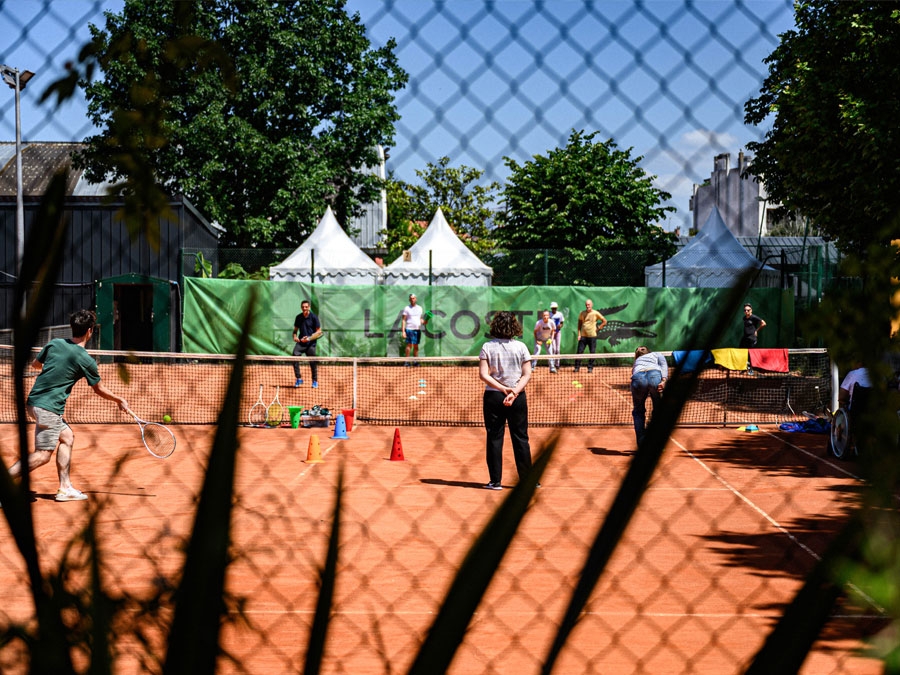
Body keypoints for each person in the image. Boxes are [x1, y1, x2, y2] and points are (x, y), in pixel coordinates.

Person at [5, 309, 129, 504]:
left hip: (34, 402)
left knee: (67, 437)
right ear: (90, 331)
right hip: (49, 408)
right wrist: (119, 399)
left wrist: (55, 369)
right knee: (43, 455)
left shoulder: (54, 343)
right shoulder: (86, 360)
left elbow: (36, 365)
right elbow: (99, 389)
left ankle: (65, 488)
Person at [478, 311, 534, 490]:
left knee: (494, 437)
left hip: (493, 397)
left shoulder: (487, 346)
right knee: (521, 437)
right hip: (518, 398)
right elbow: (527, 374)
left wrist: (503, 389)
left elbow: (483, 375)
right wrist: (514, 392)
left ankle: (495, 482)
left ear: (495, 326)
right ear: (515, 327)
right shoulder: (522, 347)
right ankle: (528, 481)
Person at [631, 346, 668, 445]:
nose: (640, 349)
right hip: (654, 375)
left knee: (638, 411)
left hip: (638, 378)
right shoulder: (656, 354)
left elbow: (634, 373)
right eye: (639, 348)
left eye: (641, 348)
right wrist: (663, 380)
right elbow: (664, 365)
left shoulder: (637, 361)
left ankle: (642, 443)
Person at [293, 299, 322, 388]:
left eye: (306, 307)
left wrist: (308, 338)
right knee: (294, 356)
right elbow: (295, 330)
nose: (304, 308)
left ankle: (315, 381)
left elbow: (319, 332)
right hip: (301, 343)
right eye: (303, 307)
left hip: (311, 344)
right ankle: (298, 379)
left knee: (313, 362)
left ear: (309, 307)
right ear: (301, 308)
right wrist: (294, 336)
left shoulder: (314, 317)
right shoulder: (298, 317)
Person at [575, 299, 607, 373]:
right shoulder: (582, 313)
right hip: (583, 336)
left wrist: (599, 328)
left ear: (592, 305)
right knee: (579, 352)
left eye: (589, 304)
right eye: (586, 304)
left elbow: (605, 321)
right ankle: (577, 367)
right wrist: (579, 334)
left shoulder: (595, 313)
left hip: (592, 336)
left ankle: (590, 368)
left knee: (592, 353)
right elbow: (579, 324)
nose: (587, 306)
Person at [402, 293, 428, 364]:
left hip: (417, 330)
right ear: (409, 300)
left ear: (416, 299)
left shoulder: (420, 308)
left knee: (416, 346)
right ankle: (406, 362)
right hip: (409, 329)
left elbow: (420, 319)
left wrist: (424, 322)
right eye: (411, 298)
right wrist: (403, 331)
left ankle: (415, 361)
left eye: (413, 298)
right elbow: (403, 320)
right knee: (409, 345)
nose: (412, 300)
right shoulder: (406, 308)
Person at [549, 301, 564, 372]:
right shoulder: (549, 315)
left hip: (558, 333)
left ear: (556, 308)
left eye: (555, 308)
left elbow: (562, 323)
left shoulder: (560, 314)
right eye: (552, 308)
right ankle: (552, 365)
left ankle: (557, 364)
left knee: (557, 349)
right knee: (553, 349)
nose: (554, 309)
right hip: (552, 333)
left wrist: (560, 326)